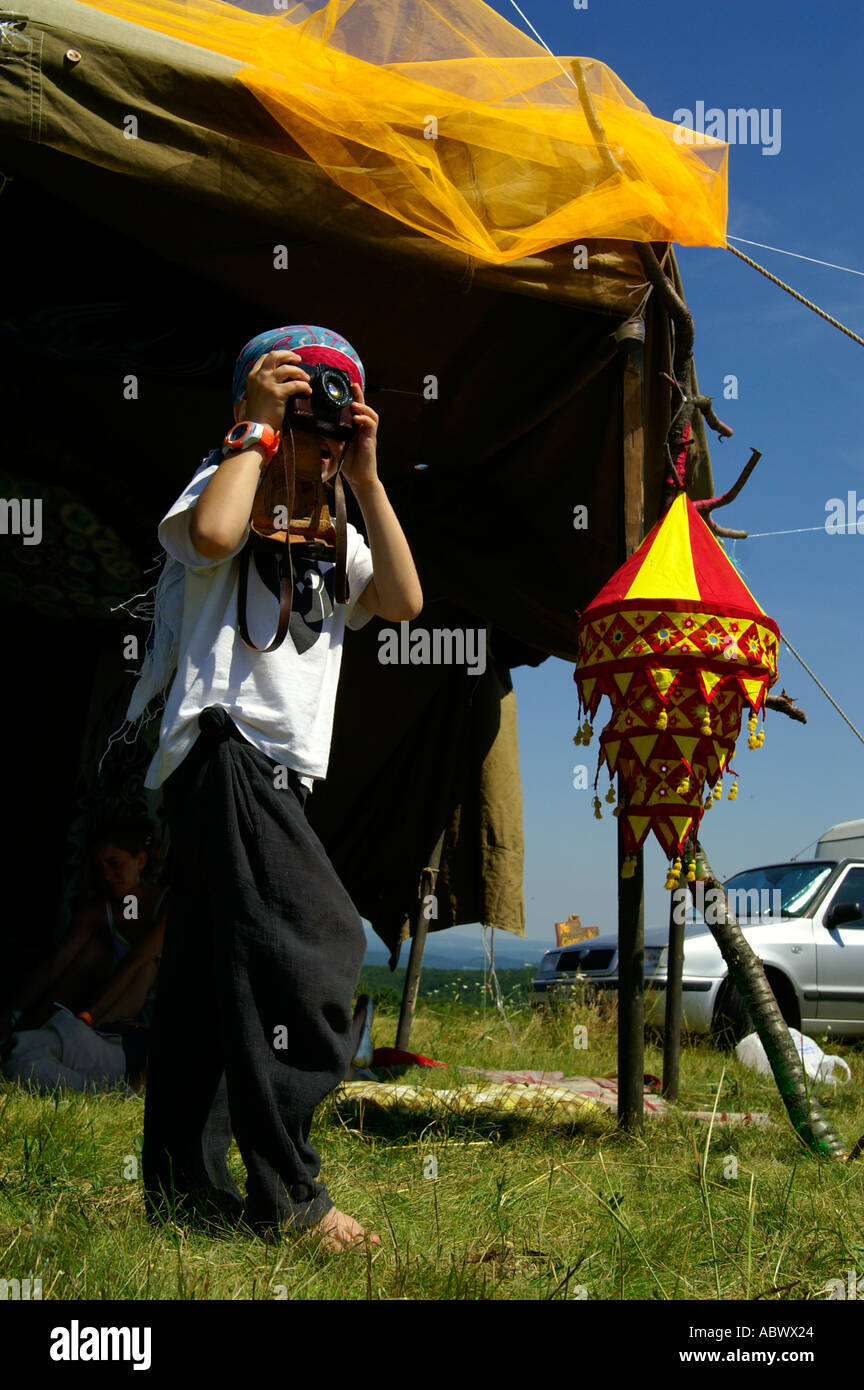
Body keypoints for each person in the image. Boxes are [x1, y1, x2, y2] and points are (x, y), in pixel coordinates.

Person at [136, 324, 422, 1251]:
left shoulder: (339, 528)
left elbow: (407, 603)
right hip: (225, 745)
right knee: (317, 949)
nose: (318, 440)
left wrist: (370, 479)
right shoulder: (228, 476)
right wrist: (255, 429)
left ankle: (181, 1186)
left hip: (271, 770)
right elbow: (214, 535)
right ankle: (289, 1197)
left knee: (207, 986)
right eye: (305, 416)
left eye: (330, 425)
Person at [0, 819, 166, 1091]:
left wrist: (88, 1018)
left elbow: (136, 961)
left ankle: (73, 1040)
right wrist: (14, 1013)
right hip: (100, 1028)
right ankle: (34, 1033)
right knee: (93, 952)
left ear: (141, 861)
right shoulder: (103, 912)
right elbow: (56, 965)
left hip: (142, 1024)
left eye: (115, 863)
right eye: (100, 868)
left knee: (145, 966)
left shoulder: (165, 903)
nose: (108, 875)